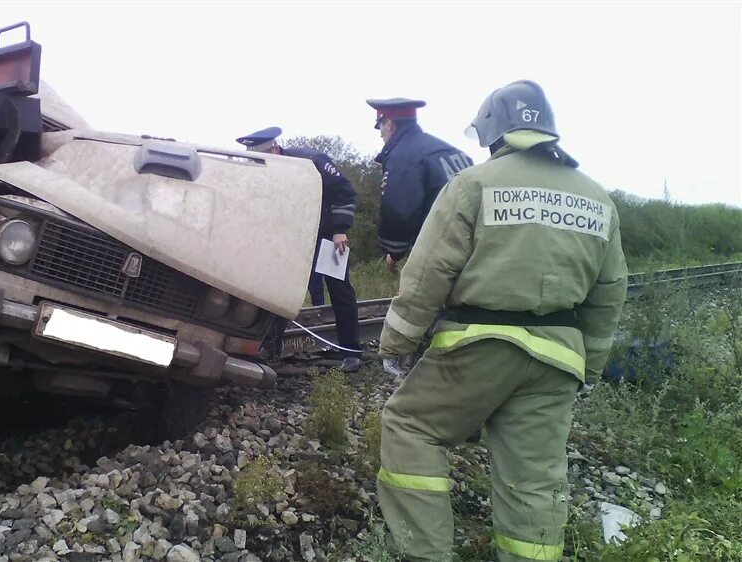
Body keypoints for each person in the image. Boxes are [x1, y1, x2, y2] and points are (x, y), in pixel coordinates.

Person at [375, 80, 628, 561]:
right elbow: (609, 294)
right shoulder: (597, 199)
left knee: (410, 427)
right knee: (534, 479)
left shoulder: (474, 185)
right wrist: (589, 369)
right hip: (559, 357)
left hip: (479, 344)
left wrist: (397, 346)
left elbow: (428, 273)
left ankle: (423, 553)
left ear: (494, 131)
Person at [237, 127, 362, 372]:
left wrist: (339, 228)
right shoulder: (263, 168)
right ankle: (268, 348)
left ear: (274, 148)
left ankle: (351, 352)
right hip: (294, 239)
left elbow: (345, 192)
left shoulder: (311, 160)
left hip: (327, 236)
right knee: (277, 290)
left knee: (339, 291)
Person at [366, 98, 473, 274]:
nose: (380, 134)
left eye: (380, 126)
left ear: (390, 124)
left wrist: (394, 251)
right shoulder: (453, 151)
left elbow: (399, 211)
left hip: (438, 253)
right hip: (472, 246)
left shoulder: (403, 156)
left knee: (413, 302)